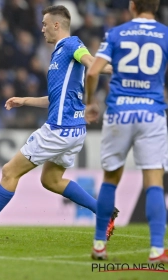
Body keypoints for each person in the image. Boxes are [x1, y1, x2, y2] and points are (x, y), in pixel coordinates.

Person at [0, 5, 117, 240]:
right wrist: (25, 100)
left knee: (10, 171)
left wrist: (121, 70)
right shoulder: (61, 53)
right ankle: (104, 213)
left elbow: (92, 63)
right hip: (73, 128)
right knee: (50, 180)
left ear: (56, 25)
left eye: (44, 24)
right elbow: (57, 98)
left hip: (60, 129)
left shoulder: (71, 44)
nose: (41, 29)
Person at [85, 0, 168, 263]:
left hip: (120, 111)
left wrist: (91, 103)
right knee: (154, 180)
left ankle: (99, 244)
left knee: (111, 178)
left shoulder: (117, 32)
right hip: (151, 113)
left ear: (132, 6)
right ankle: (156, 250)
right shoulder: (165, 34)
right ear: (155, 7)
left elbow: (93, 72)